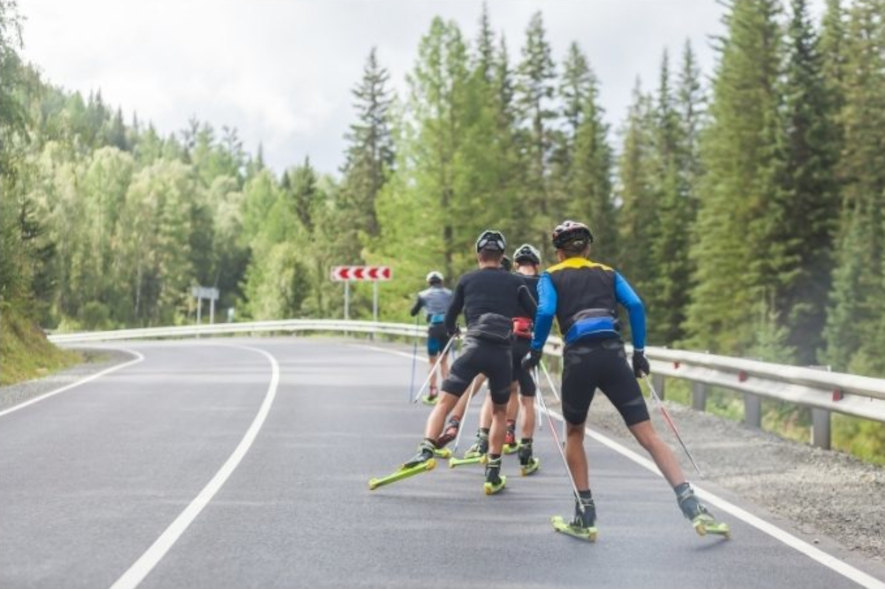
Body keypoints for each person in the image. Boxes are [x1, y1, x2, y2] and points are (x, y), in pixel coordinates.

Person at [522, 220, 725, 535]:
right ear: (588, 249)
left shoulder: (550, 276)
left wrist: (535, 350)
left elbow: (546, 312)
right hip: (614, 356)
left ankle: (585, 515)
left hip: (579, 359)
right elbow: (635, 305)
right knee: (648, 436)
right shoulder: (608, 272)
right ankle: (692, 505)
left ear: (559, 253)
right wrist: (639, 352)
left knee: (574, 434)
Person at [403, 230, 536, 495]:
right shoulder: (514, 282)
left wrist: (454, 330)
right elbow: (534, 312)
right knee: (499, 412)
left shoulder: (467, 280)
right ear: (501, 256)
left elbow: (451, 317)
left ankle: (426, 448)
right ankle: (493, 472)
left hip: (473, 347)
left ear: (478, 254)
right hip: (502, 353)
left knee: (444, 402)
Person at [465, 244, 542, 476]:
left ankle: (482, 440)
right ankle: (525, 452)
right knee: (526, 395)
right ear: (536, 264)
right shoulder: (543, 283)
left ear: (516, 264)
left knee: (495, 392)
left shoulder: (510, 281)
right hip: (527, 341)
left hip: (505, 340)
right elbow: (543, 313)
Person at [410, 270, 453, 404]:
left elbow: (413, 312)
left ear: (429, 282)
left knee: (432, 362)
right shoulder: (450, 294)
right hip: (446, 329)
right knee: (444, 362)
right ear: (441, 281)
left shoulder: (423, 295)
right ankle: (446, 392)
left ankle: (433, 391)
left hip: (433, 329)